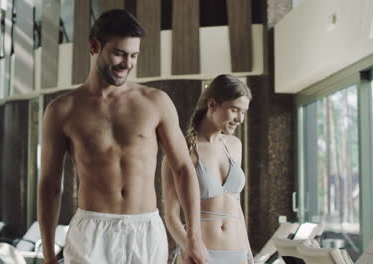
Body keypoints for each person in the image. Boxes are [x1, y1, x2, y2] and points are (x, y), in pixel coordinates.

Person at [37, 9, 208, 264]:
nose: (127, 63)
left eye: (133, 55)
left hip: (145, 230)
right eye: (119, 53)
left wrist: (194, 238)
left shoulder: (155, 102)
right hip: (91, 232)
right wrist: (49, 255)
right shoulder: (62, 110)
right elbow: (50, 184)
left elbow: (183, 168)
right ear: (95, 46)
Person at [162, 74, 253, 264]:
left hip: (237, 253)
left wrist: (248, 252)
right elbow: (171, 215)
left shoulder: (235, 146)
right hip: (200, 256)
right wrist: (191, 248)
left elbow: (236, 206)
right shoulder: (182, 151)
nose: (240, 119)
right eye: (235, 110)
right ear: (212, 105)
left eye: (243, 112)